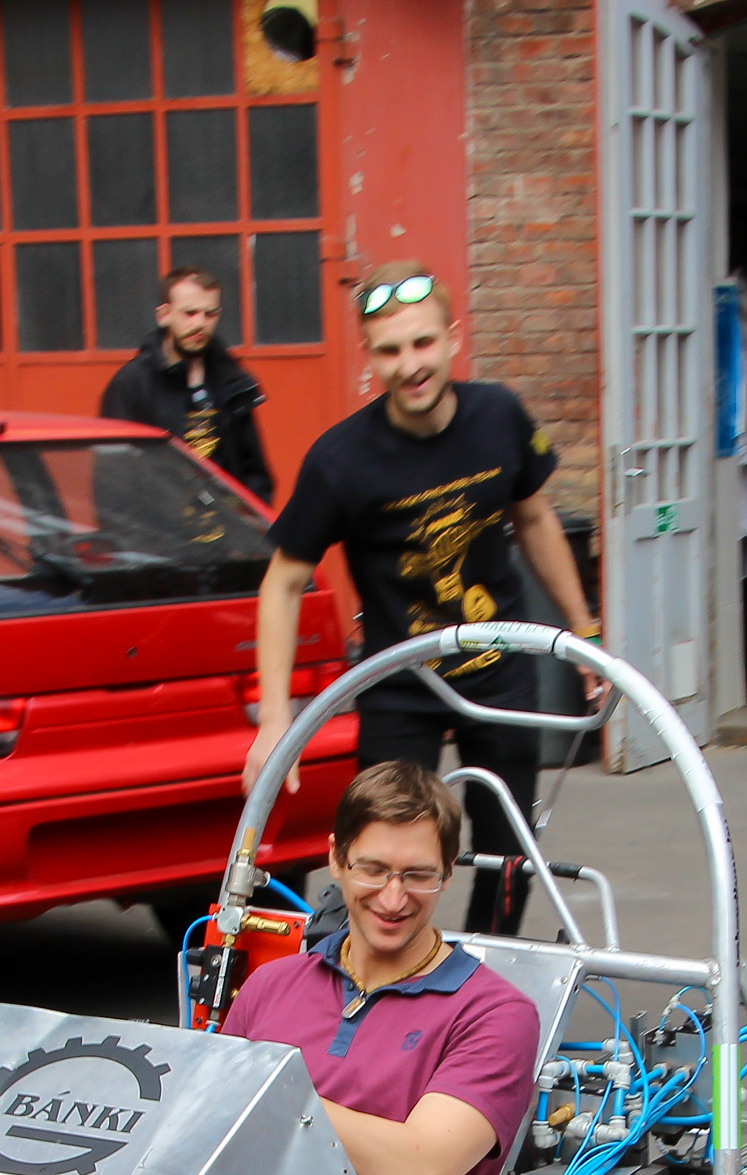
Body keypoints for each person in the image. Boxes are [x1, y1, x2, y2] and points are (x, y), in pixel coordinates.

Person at [246, 262, 599, 936]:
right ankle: (387, 977)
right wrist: (274, 721)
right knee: (387, 853)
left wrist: (585, 632)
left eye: (423, 343)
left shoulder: (498, 415)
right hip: (401, 682)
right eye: (389, 350)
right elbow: (283, 583)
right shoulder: (341, 459)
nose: (410, 365)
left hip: (499, 668)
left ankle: (482, 975)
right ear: (369, 356)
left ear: (452, 338)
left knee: (508, 858)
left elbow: (534, 519)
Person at [221, 760, 540, 1175]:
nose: (393, 899)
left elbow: (413, 1174)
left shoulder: (494, 1015)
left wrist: (260, 1097)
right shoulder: (271, 984)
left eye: (418, 876)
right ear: (336, 858)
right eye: (372, 870)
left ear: (447, 873)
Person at [99, 266, 274, 503]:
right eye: (190, 313)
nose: (200, 323)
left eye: (210, 314)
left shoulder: (231, 379)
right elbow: (113, 479)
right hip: (162, 523)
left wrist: (252, 520)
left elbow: (253, 471)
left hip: (224, 523)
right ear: (164, 315)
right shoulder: (131, 384)